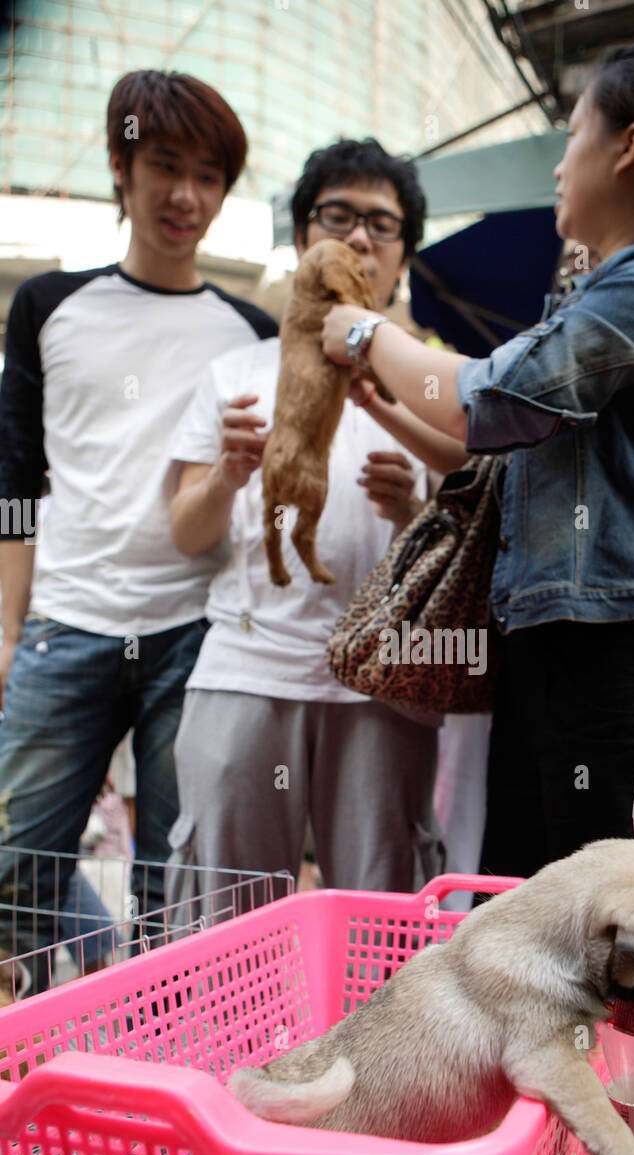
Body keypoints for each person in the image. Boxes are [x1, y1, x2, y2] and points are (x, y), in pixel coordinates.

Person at [322, 39, 634, 881]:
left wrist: (370, 332)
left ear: (629, 146)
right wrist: (386, 402)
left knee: (613, 949)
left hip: (619, 656)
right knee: (527, 932)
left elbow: (495, 396)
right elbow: (501, 447)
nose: (558, 165)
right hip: (551, 647)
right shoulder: (597, 294)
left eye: (573, 134)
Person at [0, 70, 277, 980]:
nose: (186, 195)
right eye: (164, 165)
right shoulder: (47, 307)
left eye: (208, 174)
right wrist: (9, 626)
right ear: (121, 167)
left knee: (176, 883)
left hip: (196, 638)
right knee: (14, 869)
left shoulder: (249, 332)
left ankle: (145, 1068)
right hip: (66, 624)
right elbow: (14, 480)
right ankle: (76, 1010)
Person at [166, 138, 447, 893]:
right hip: (247, 670)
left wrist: (413, 510)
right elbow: (187, 532)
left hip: (383, 686)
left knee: (382, 916)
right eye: (338, 216)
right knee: (224, 915)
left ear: (402, 257)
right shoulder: (239, 372)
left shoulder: (433, 382)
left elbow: (467, 546)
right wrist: (227, 476)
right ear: (301, 239)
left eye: (382, 226)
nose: (359, 237)